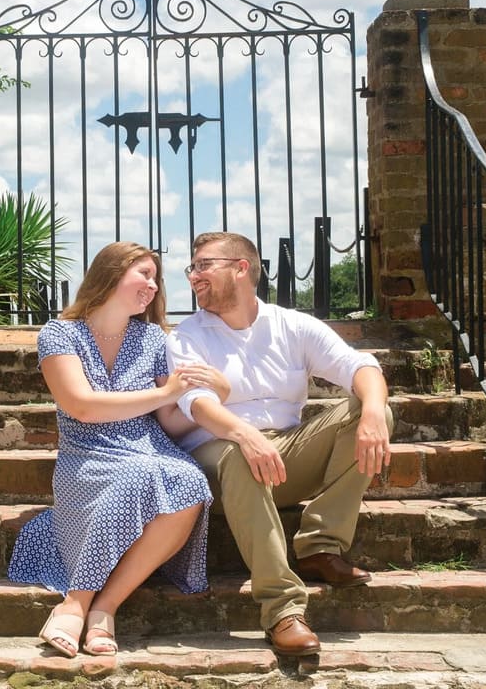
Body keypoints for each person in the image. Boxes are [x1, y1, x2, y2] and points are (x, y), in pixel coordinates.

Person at [165, 231, 392, 658]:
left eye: (203, 265)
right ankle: (283, 610)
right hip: (218, 461)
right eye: (191, 268)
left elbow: (357, 364)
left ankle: (320, 546)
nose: (193, 276)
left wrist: (376, 411)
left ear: (241, 267)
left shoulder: (292, 325)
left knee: (368, 408)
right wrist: (245, 434)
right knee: (238, 452)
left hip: (283, 454)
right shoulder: (187, 336)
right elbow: (196, 404)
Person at [8, 241, 227, 658]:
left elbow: (168, 421)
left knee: (190, 480)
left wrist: (213, 396)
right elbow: (82, 406)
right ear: (110, 273)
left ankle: (98, 607)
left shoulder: (152, 338)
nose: (153, 285)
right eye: (144, 274)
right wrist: (163, 392)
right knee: (146, 474)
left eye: (156, 278)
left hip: (147, 447)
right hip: (86, 455)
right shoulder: (59, 334)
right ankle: (78, 603)